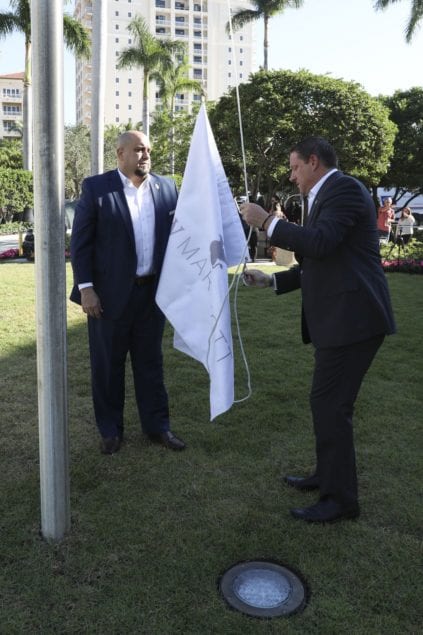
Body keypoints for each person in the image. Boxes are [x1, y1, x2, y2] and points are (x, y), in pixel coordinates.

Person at [241, 136, 396, 524]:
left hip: (354, 320)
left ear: (313, 161)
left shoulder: (344, 189)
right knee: (327, 404)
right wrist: (273, 281)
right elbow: (317, 261)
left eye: (294, 167)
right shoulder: (325, 196)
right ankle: (327, 477)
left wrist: (267, 221)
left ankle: (340, 500)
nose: (292, 177)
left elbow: (321, 244)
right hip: (344, 320)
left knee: (330, 406)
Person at [70, 131, 186, 455]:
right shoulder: (97, 188)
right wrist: (87, 289)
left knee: (151, 365)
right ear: (120, 153)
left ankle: (158, 428)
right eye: (138, 149)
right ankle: (111, 431)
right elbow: (80, 244)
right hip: (108, 298)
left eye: (148, 149)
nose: (145, 155)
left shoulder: (167, 188)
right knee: (108, 367)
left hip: (152, 296)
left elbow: (179, 237)